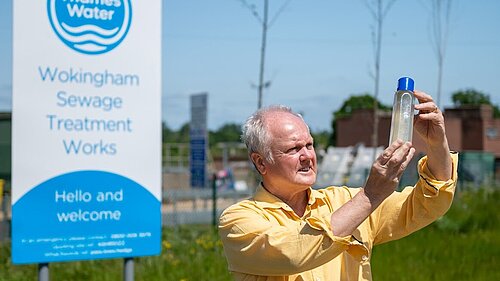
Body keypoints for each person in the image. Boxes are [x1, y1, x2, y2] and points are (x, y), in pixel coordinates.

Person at [218, 90, 458, 281]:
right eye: (293, 149)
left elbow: (430, 202)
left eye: (309, 145)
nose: (307, 156)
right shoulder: (239, 221)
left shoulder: (343, 201)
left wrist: (437, 144)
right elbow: (295, 254)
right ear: (261, 162)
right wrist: (369, 196)